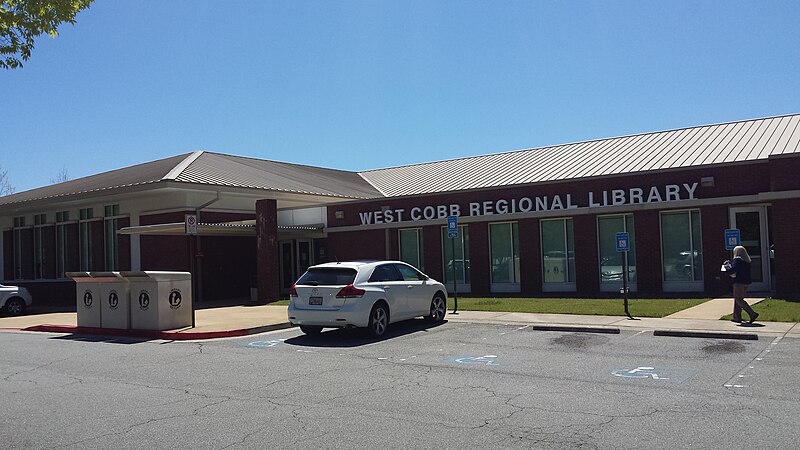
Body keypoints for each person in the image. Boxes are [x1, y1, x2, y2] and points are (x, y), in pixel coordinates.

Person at [724, 246, 759, 324]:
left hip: (738, 282)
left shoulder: (737, 260)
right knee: (738, 299)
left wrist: (727, 268)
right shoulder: (747, 260)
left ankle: (752, 314)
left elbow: (733, 270)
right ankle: (737, 317)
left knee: (738, 299)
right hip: (746, 282)